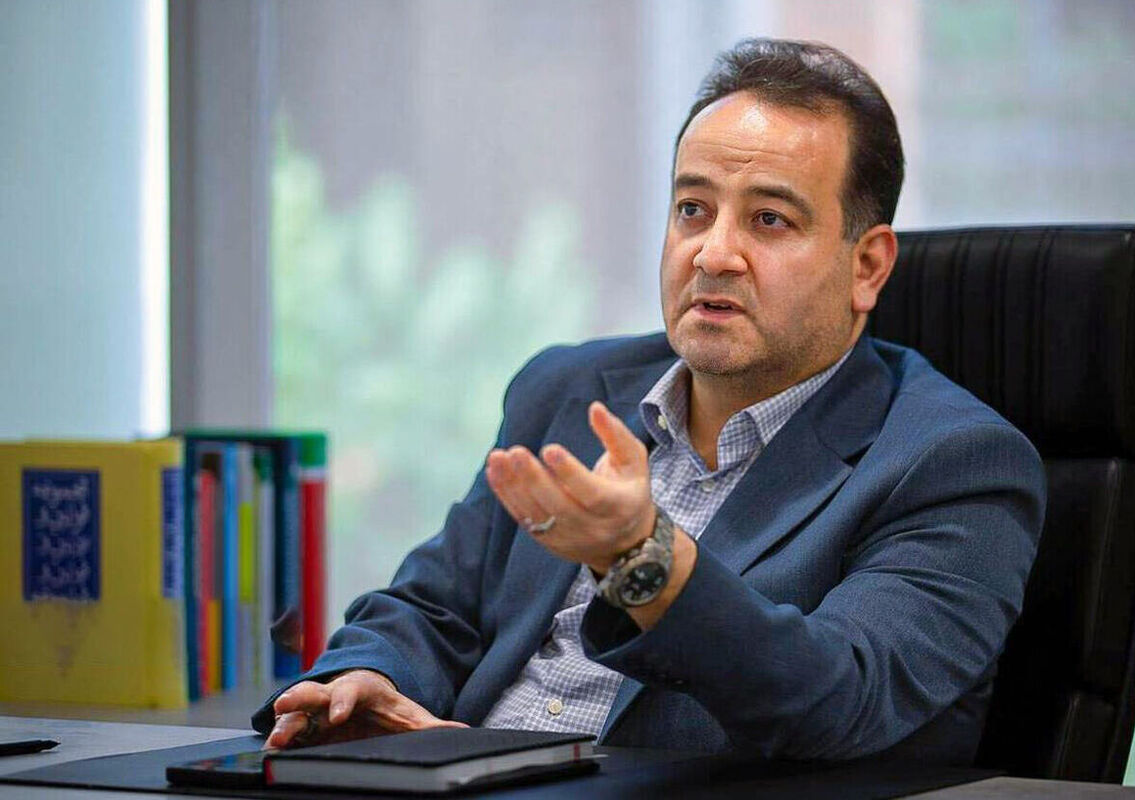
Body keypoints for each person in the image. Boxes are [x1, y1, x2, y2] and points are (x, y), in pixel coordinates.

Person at [253, 38, 1045, 763]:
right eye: (692, 209)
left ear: (867, 266)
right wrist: (365, 678)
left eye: (769, 220)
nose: (714, 254)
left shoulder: (955, 465)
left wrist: (644, 560)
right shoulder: (568, 389)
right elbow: (437, 604)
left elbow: (839, 701)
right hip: (456, 777)